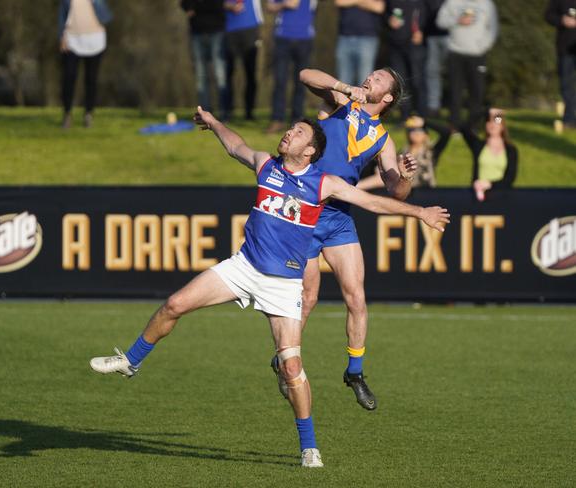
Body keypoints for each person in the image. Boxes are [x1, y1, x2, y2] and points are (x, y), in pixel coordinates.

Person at [90, 107, 450, 467]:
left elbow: (372, 202)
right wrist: (215, 123)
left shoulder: (323, 183)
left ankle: (309, 447)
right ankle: (131, 361)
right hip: (244, 267)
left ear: (309, 151)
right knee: (173, 304)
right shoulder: (267, 166)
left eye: (297, 133)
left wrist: (421, 213)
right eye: (290, 129)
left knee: (291, 368)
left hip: (283, 285)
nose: (288, 134)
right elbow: (236, 147)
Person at [277, 67, 415, 412]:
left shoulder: (383, 139)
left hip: (339, 218)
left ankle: (355, 372)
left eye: (379, 78)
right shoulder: (342, 101)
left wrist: (407, 177)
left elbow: (396, 191)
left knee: (356, 296)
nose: (371, 77)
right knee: (307, 298)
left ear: (387, 98)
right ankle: (286, 358)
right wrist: (343, 87)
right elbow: (305, 75)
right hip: (308, 210)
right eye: (372, 73)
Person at [436, 0, 498, 130]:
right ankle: (454, 125)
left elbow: (493, 28)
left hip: (477, 55)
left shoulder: (487, 4)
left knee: (477, 91)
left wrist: (482, 47)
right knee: (455, 90)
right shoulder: (452, 2)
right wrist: (457, 20)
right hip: (455, 52)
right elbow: (440, 21)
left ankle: (472, 127)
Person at [58, 0, 113, 129]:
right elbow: (62, 15)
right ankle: (67, 113)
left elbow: (106, 17)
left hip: (95, 39)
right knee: (69, 77)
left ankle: (88, 113)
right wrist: (61, 37)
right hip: (72, 39)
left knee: (91, 79)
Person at [266, 0, 318, 134]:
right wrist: (284, 4)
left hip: (304, 39)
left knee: (301, 82)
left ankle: (297, 119)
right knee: (280, 81)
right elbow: (269, 6)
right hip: (282, 37)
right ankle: (277, 119)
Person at [180, 0, 227, 119]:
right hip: (196, 32)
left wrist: (196, 7)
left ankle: (224, 113)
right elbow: (185, 4)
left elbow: (217, 5)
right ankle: (204, 115)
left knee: (220, 75)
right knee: (200, 76)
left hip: (216, 31)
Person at [460, 108, 517, 201]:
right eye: (489, 121)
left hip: (501, 196)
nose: (492, 124)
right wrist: (486, 111)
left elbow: (510, 177)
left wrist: (490, 184)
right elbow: (464, 127)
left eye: (495, 121)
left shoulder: (511, 150)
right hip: (479, 196)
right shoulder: (478, 145)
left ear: (502, 126)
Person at [384, 0, 429, 119]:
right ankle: (404, 117)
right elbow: (385, 13)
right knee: (401, 82)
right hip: (396, 45)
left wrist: (423, 32)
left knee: (417, 81)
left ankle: (421, 117)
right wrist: (389, 20)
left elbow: (430, 14)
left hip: (415, 45)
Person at [223, 0, 263, 120]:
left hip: (250, 28)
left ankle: (249, 112)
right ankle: (227, 111)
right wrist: (228, 5)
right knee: (227, 74)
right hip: (228, 29)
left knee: (250, 73)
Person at [334, 0, 386, 87]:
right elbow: (339, 2)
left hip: (368, 38)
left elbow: (379, 7)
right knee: (342, 83)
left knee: (365, 82)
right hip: (344, 36)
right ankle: (345, 101)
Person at [545, 0, 576, 130]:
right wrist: (561, 20)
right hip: (564, 49)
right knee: (565, 85)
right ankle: (569, 119)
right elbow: (548, 15)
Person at [401, 115, 451, 187]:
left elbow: (446, 132)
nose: (416, 133)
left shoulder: (431, 152)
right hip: (406, 192)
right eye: (412, 130)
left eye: (420, 130)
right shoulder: (402, 153)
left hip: (427, 193)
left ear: (426, 135)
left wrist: (424, 122)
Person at [424, 0, 449, 117]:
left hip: (452, 36)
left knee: (455, 74)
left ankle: (454, 108)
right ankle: (434, 107)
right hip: (431, 35)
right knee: (432, 72)